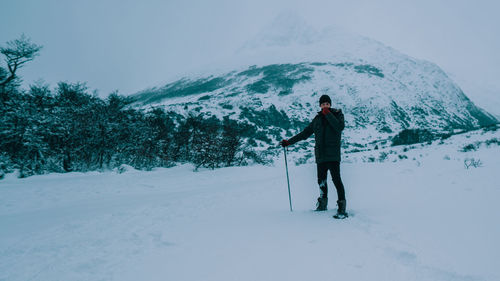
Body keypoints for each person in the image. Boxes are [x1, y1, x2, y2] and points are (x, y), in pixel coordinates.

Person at [280, 94, 348, 219]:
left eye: (327, 103)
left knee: (336, 180)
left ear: (330, 104)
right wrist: (289, 142)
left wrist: (328, 114)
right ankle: (322, 204)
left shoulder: (338, 115)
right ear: (320, 105)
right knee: (321, 181)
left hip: (333, 155)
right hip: (321, 156)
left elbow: (339, 127)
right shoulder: (317, 119)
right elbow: (305, 133)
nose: (325, 106)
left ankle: (342, 207)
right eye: (323, 104)